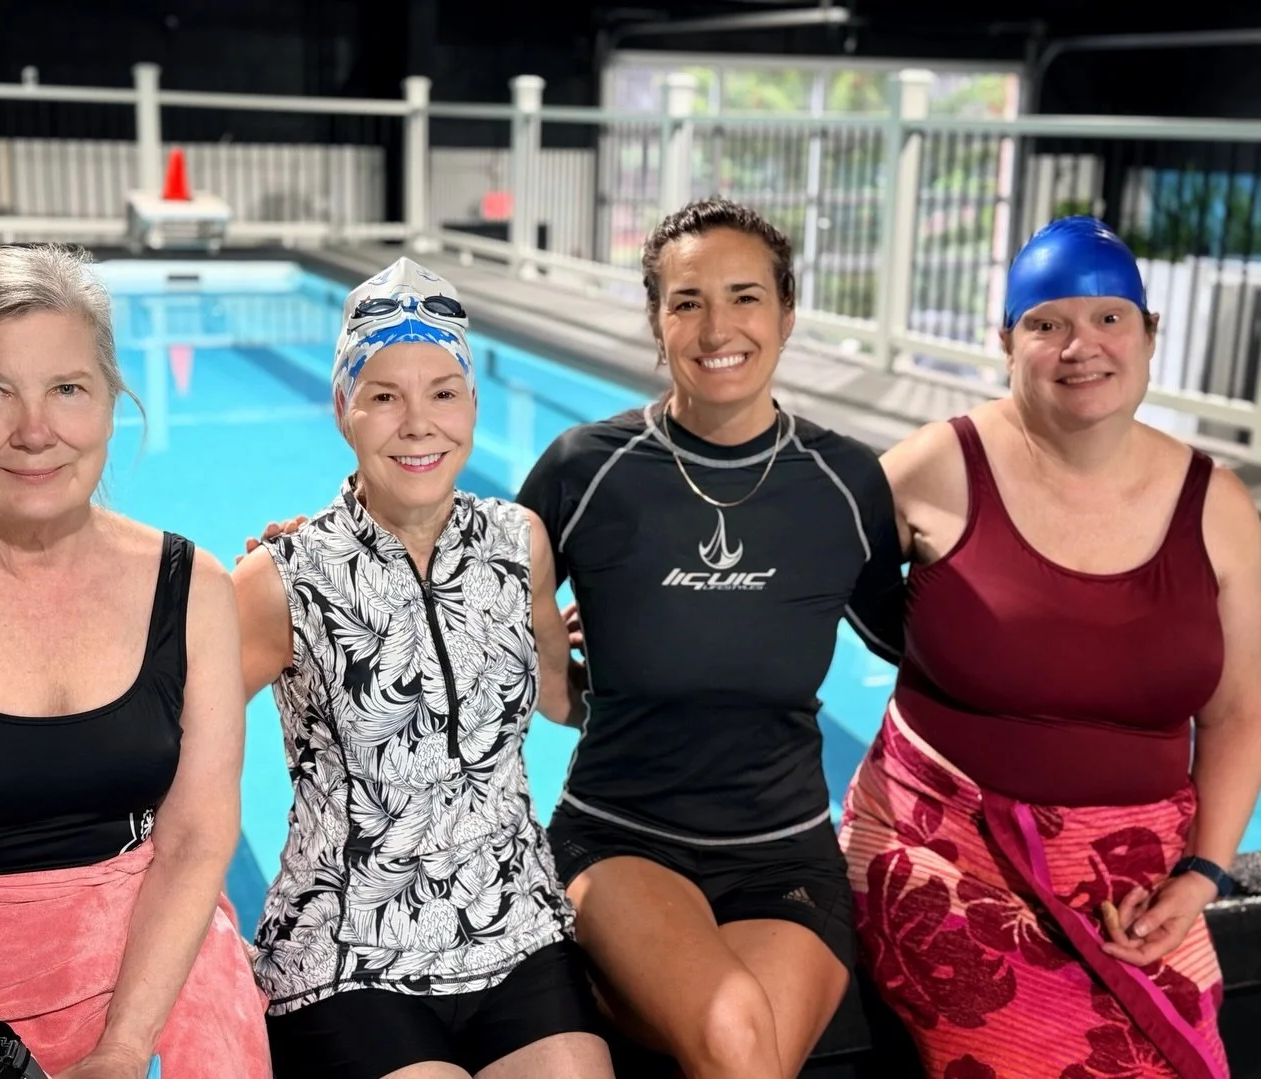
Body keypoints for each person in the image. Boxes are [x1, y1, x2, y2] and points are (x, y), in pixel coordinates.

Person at [0, 244, 270, 1079]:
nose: (35, 432)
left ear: (110, 403)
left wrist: (125, 1046)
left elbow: (196, 841)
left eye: (68, 389)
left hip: (146, 968)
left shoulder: (194, 587)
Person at [839, 216, 1261, 1078]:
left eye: (1110, 318)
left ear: (1149, 335)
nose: (1082, 346)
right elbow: (805, 587)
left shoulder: (1215, 504)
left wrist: (1202, 874)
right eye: (1047, 323)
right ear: (1007, 341)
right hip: (946, 855)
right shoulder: (934, 468)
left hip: (1136, 877)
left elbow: (1241, 709)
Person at [514, 198, 907, 1079]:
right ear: (657, 322)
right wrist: (332, 538)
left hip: (787, 850)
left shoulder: (844, 481)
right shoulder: (589, 468)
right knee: (734, 1033)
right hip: (623, 838)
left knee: (743, 1037)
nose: (718, 326)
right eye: (687, 301)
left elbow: (914, 639)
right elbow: (464, 591)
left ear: (787, 313)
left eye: (745, 297)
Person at [231, 256, 614, 1079]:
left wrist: (647, 651)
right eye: (383, 395)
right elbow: (167, 742)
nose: (417, 423)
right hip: (348, 952)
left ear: (472, 403)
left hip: (513, 928)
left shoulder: (520, 542)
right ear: (344, 409)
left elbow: (558, 698)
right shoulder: (283, 576)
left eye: (443, 391)